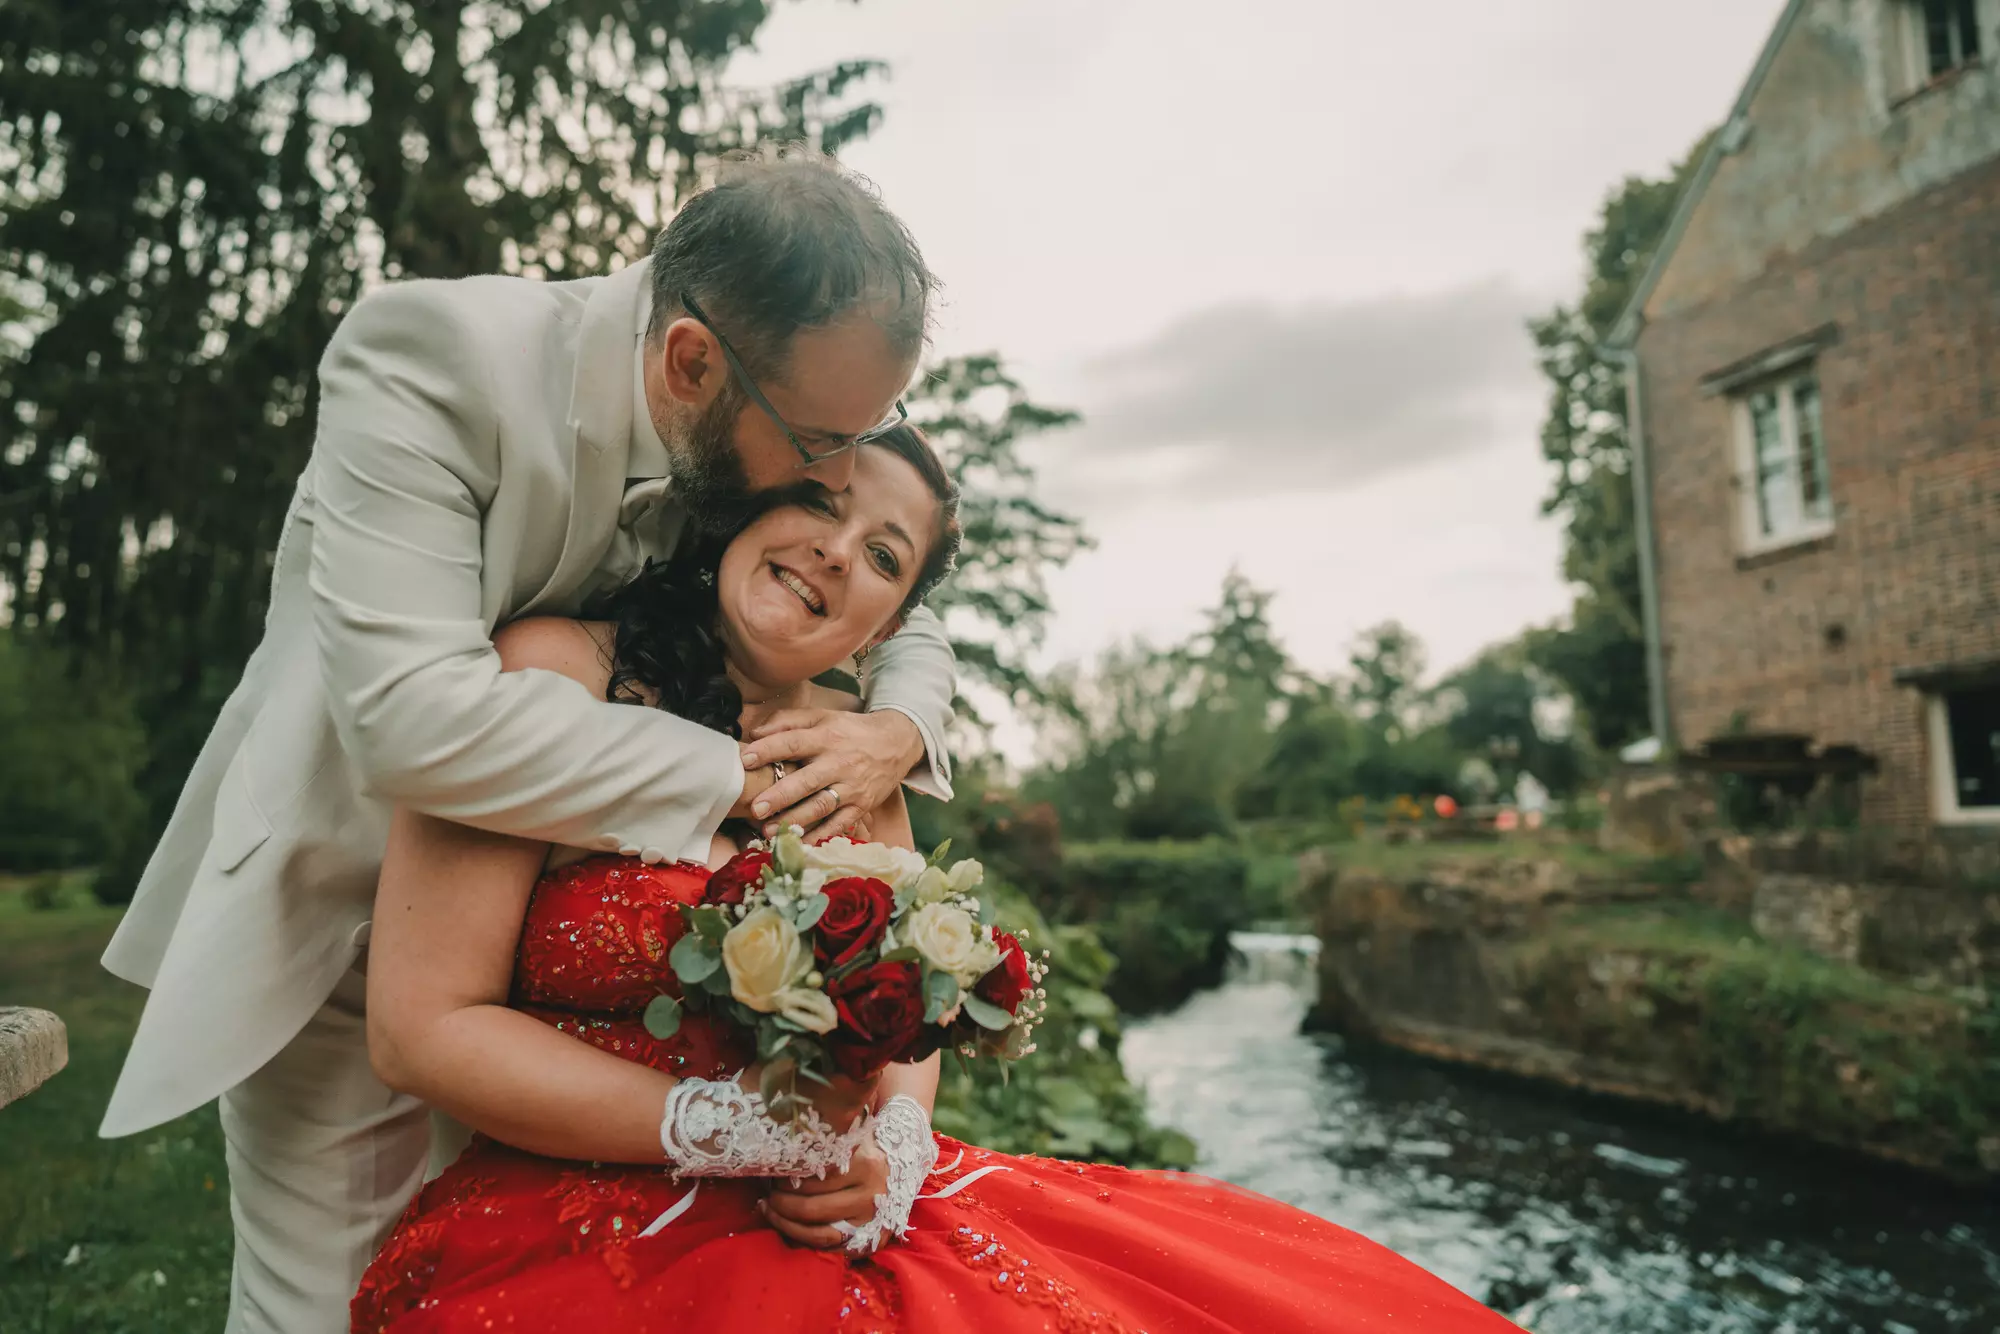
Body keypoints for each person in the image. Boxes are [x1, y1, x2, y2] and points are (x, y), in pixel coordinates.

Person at [350, 428, 1523, 1333]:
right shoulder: (547, 670)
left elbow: (908, 1012)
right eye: (818, 502)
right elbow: (423, 1027)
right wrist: (726, 1128)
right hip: (585, 1208)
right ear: (742, 506)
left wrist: (892, 1157)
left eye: (881, 557)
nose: (832, 552)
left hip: (837, 1203)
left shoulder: (864, 756)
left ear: (887, 622)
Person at [96, 149, 961, 1334]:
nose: (834, 482)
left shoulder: (754, 417)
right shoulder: (431, 360)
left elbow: (899, 581)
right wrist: (736, 772)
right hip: (349, 927)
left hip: (560, 975)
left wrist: (889, 728)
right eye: (821, 450)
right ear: (691, 364)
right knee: (333, 1302)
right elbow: (408, 721)